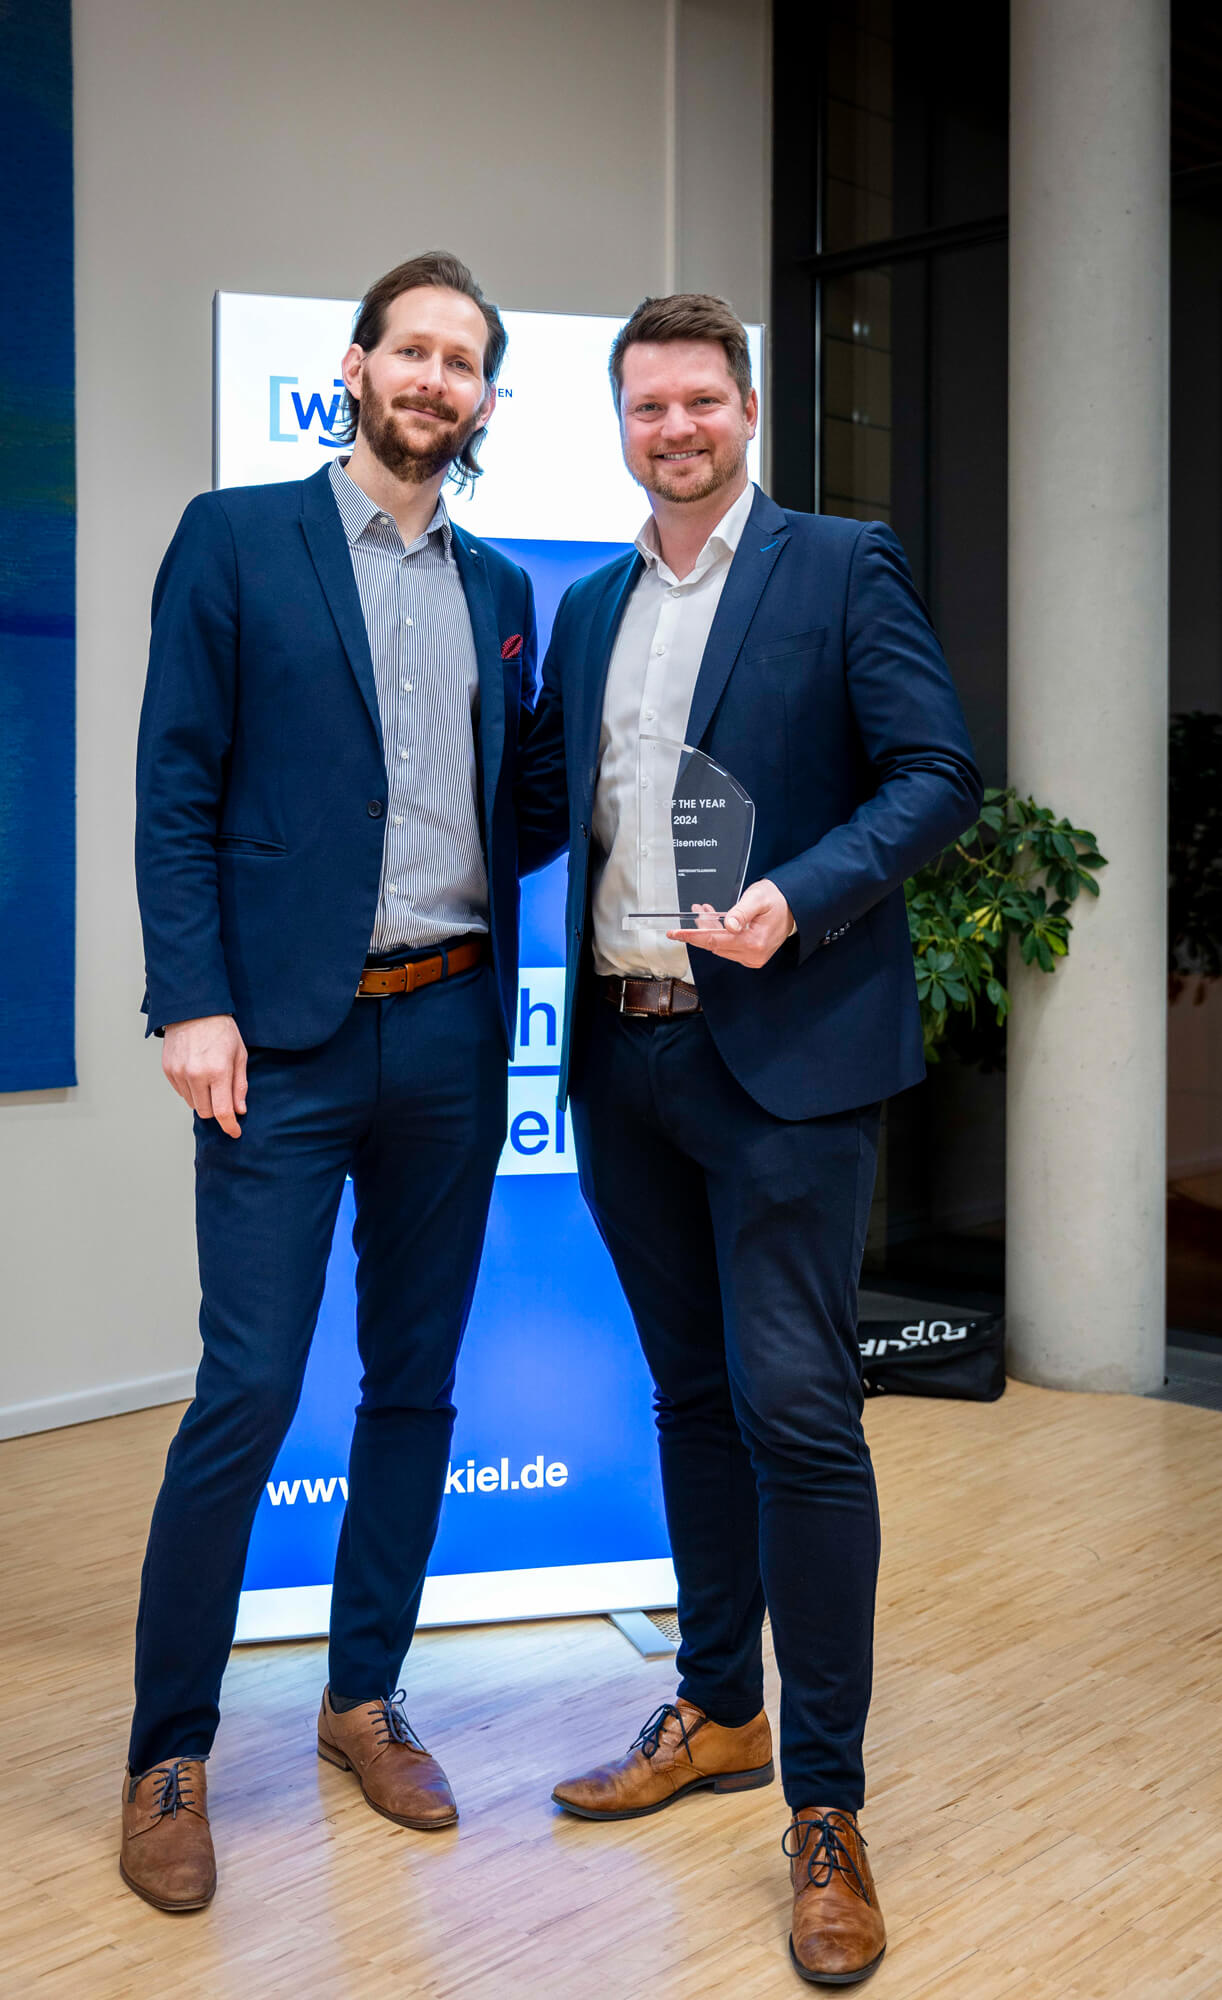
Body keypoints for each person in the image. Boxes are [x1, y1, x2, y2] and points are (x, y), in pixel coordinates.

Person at [518, 292, 982, 1986]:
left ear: (748, 409)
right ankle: (717, 1707)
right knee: (691, 1401)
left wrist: (801, 892)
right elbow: (548, 806)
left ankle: (826, 1809)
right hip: (626, 1056)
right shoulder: (589, 607)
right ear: (620, 424)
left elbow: (934, 774)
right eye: (647, 406)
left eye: (699, 401)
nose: (675, 429)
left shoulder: (839, 566)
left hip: (784, 1061)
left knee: (797, 1413)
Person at [124, 251, 537, 1912]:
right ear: (355, 368)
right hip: (279, 1045)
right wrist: (191, 1000)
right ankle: (169, 1753)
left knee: (415, 1386)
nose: (433, 380)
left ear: (484, 399)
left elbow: (519, 805)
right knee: (244, 1393)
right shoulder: (236, 540)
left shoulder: (502, 590)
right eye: (410, 351)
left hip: (448, 1030)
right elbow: (175, 781)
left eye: (462, 362)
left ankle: (362, 1698)